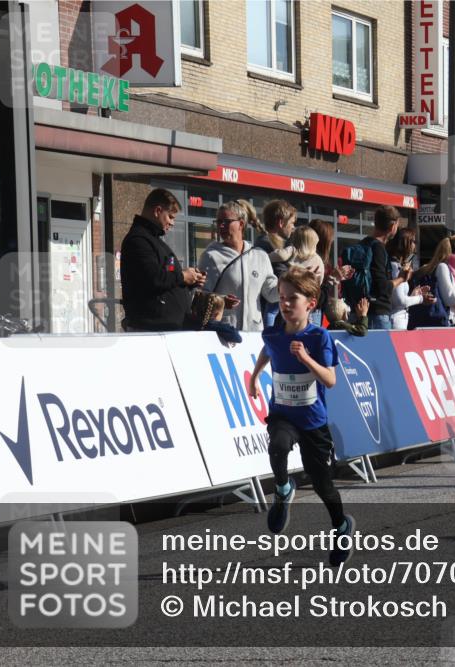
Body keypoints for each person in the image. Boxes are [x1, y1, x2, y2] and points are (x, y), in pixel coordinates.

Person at [247, 267, 354, 565]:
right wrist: (255, 377)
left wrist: (305, 358)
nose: (285, 303)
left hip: (313, 421)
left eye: (292, 298)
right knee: (278, 445)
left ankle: (341, 526)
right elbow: (268, 350)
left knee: (322, 484)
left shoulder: (319, 337)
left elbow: (330, 380)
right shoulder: (273, 332)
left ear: (310, 302)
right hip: (283, 413)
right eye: (281, 297)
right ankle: (283, 489)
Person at [119, 188, 206, 331]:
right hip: (151, 330)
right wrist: (183, 276)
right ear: (158, 211)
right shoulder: (138, 240)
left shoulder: (156, 242)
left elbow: (168, 274)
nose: (172, 223)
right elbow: (153, 279)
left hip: (165, 327)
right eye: (170, 217)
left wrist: (190, 280)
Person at [198, 200, 279, 332]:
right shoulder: (211, 256)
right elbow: (201, 296)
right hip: (223, 333)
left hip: (253, 334)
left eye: (226, 221)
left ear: (241, 224)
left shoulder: (260, 256)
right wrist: (222, 301)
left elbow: (270, 294)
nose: (221, 226)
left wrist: (290, 281)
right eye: (218, 222)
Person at [352, 205, 402, 330]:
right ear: (392, 227)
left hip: (358, 310)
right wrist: (401, 279)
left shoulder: (362, 244)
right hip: (377, 314)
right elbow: (382, 286)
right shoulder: (378, 248)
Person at [386, 227, 430, 331]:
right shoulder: (395, 267)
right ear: (406, 243)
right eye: (413, 241)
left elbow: (399, 298)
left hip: (399, 320)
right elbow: (400, 301)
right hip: (395, 321)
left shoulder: (398, 265)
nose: (415, 245)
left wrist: (413, 295)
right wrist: (421, 299)